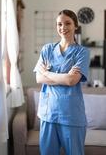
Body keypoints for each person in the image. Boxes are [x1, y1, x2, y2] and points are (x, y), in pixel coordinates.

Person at [33, 9, 90, 155]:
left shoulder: (81, 52)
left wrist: (46, 73)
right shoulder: (47, 49)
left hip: (71, 115)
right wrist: (62, 77)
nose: (63, 27)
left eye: (67, 23)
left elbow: (72, 80)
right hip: (48, 113)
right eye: (59, 24)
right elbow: (39, 78)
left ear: (75, 26)